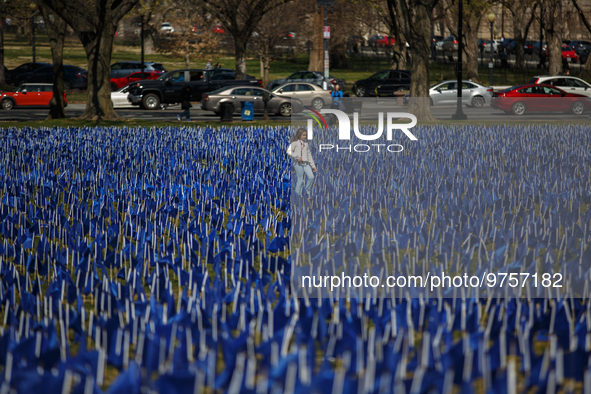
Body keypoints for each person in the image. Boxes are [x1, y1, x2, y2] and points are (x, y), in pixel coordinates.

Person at [286, 128, 316, 201]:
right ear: (299, 135)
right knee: (300, 179)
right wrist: (296, 156)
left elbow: (309, 156)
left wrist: (313, 166)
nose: (305, 136)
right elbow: (288, 151)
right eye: (303, 135)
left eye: (305, 135)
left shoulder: (306, 144)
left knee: (311, 177)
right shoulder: (294, 143)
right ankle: (297, 195)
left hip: (305, 163)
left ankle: (306, 191)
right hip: (297, 164)